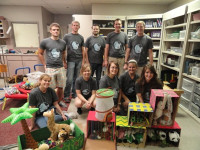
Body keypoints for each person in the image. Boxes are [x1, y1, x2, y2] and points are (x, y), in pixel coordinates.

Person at [38, 22, 67, 107]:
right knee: (50, 87)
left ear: (59, 31)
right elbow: (40, 53)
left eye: (57, 30)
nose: (56, 31)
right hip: (50, 68)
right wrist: (44, 64)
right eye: (54, 30)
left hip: (60, 68)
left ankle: (58, 101)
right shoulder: (45, 41)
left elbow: (63, 53)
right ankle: (51, 103)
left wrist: (64, 62)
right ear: (50, 31)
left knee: (61, 87)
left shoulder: (63, 42)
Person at [63, 21, 85, 102]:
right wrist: (64, 61)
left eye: (77, 25)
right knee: (69, 79)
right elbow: (63, 49)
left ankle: (74, 94)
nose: (75, 27)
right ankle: (66, 95)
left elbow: (83, 50)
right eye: (74, 25)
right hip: (70, 60)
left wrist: (83, 61)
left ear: (79, 27)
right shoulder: (67, 36)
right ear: (71, 26)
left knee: (77, 79)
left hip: (79, 60)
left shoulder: (81, 37)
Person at [85, 24, 106, 88]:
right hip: (91, 62)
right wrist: (87, 61)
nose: (95, 30)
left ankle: (97, 90)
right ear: (92, 30)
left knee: (98, 78)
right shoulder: (89, 39)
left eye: (97, 29)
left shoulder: (102, 39)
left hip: (99, 62)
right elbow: (85, 51)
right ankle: (90, 89)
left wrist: (104, 60)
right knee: (90, 77)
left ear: (99, 30)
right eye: (94, 29)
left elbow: (105, 50)